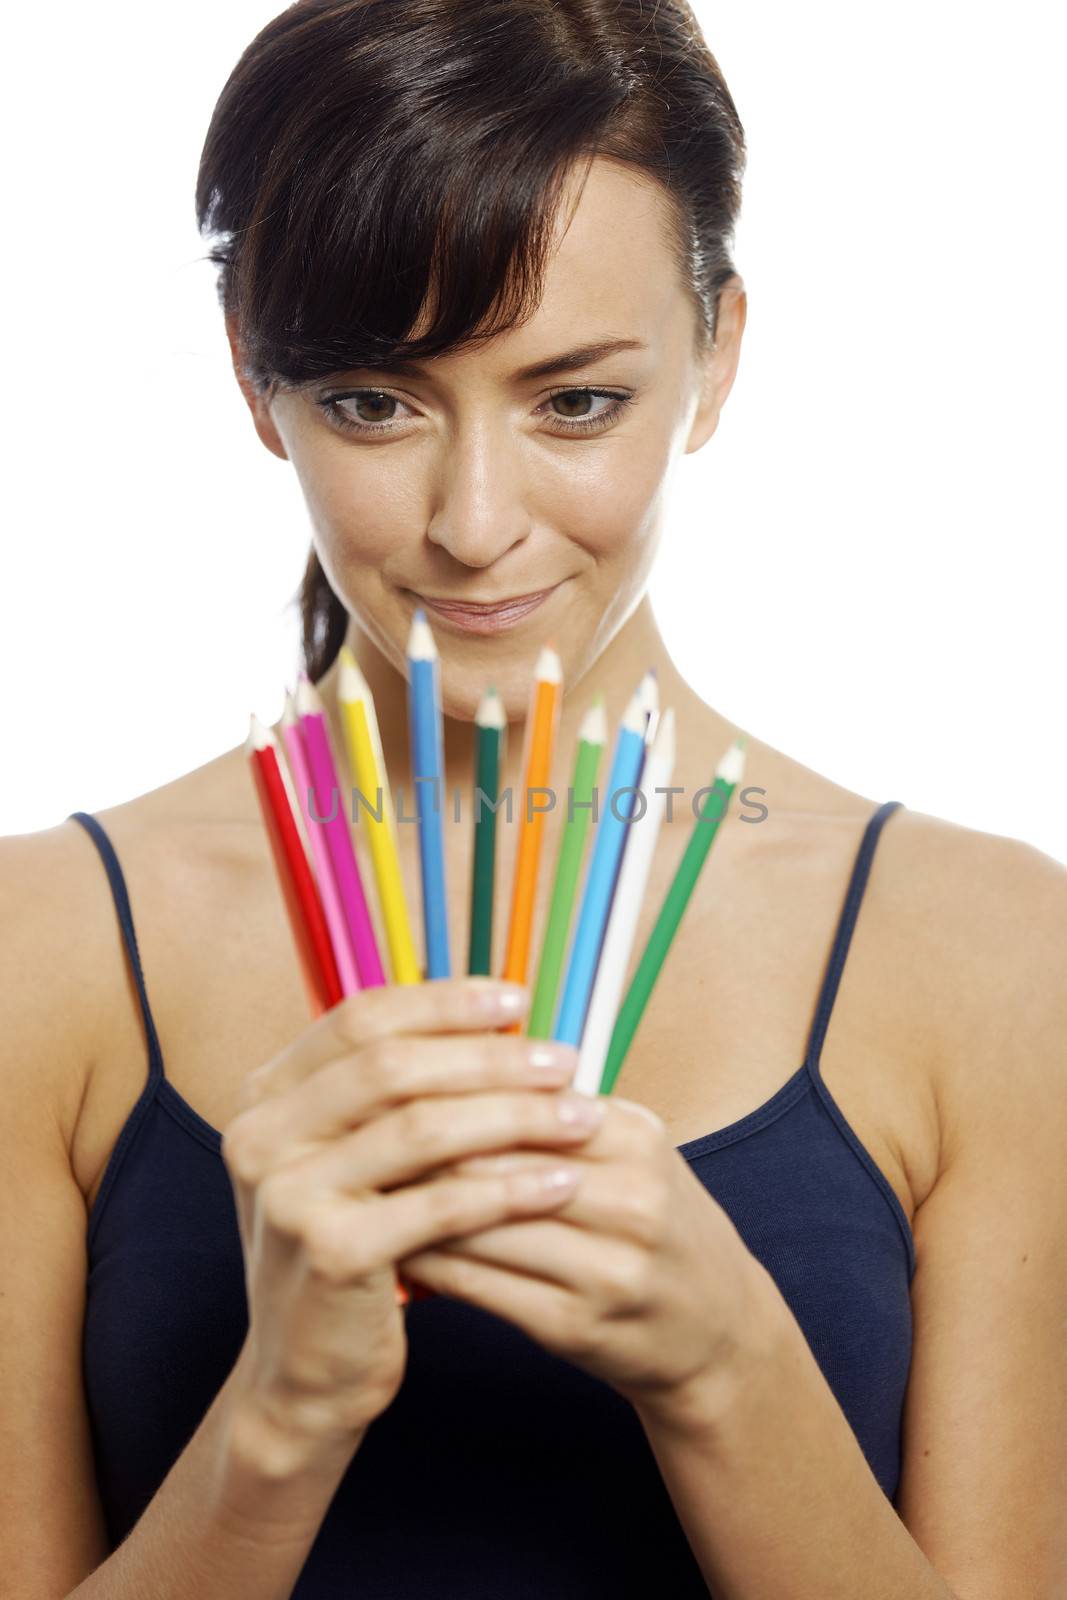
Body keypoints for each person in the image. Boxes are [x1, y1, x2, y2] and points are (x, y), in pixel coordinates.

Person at [3, 1, 1065, 1595]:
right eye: (374, 400)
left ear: (716, 360)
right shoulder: (43, 948)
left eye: (576, 400)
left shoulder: (996, 953)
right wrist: (280, 1418)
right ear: (250, 374)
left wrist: (725, 1368)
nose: (474, 524)